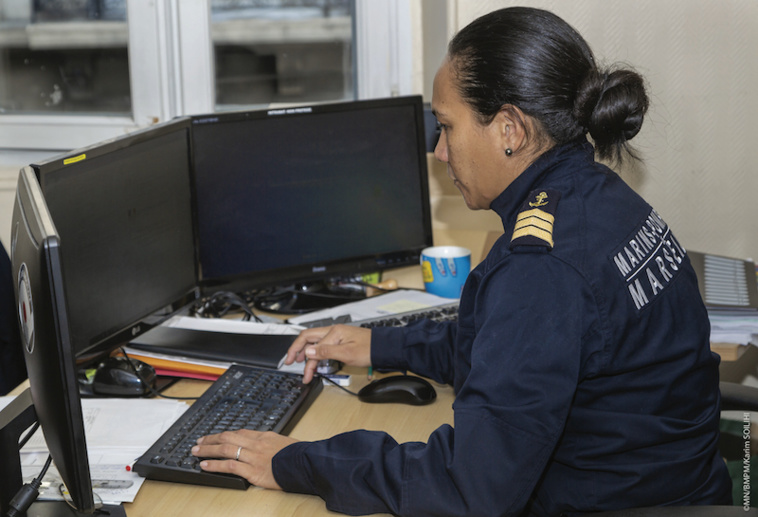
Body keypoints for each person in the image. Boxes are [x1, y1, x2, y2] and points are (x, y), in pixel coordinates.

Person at [192, 7, 732, 515]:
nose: (439, 151)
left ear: (510, 129)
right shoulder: (596, 198)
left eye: (446, 126)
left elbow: (467, 488)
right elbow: (520, 350)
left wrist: (296, 461)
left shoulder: (542, 266)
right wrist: (381, 344)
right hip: (672, 484)